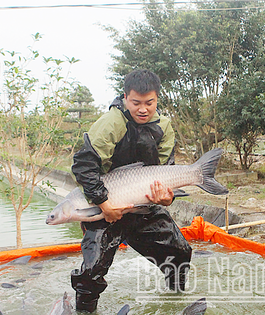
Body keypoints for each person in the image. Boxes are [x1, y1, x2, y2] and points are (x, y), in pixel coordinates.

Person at [70, 69, 192, 312]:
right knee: (91, 272)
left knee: (179, 252)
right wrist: (104, 205)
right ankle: (84, 310)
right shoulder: (111, 123)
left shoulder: (163, 127)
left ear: (157, 99)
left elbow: (166, 172)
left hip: (144, 205)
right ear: (125, 98)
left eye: (150, 103)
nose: (143, 109)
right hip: (105, 205)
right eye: (136, 102)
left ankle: (175, 301)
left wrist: (166, 198)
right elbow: (84, 165)